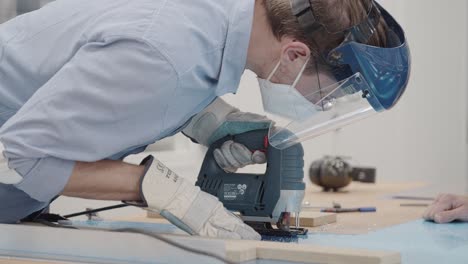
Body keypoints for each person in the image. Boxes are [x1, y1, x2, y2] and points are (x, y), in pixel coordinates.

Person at [0, 0, 410, 240]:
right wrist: (158, 189)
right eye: (327, 95)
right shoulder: (166, 53)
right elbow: (15, 158)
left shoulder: (208, 24)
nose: (321, 105)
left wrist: (204, 117)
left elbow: (134, 83)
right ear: (296, 54)